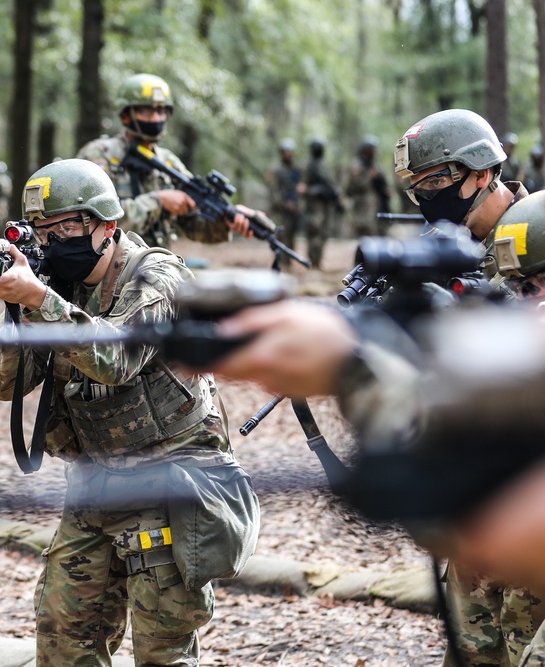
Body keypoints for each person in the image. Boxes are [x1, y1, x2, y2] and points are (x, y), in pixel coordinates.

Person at [211, 109, 543, 666]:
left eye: (437, 181)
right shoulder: (441, 247)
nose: (428, 197)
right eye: (417, 189)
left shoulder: (539, 230)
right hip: (469, 509)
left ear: (481, 173)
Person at [0, 158, 260, 666]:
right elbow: (0, 383)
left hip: (170, 482)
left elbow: (116, 361)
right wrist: (21, 307)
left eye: (66, 226)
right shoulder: (57, 286)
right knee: (64, 638)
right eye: (42, 230)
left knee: (162, 652)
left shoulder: (157, 275)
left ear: (106, 226)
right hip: (96, 483)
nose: (51, 240)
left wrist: (42, 300)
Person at [76, 73, 250, 249]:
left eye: (161, 111)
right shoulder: (100, 155)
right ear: (125, 116)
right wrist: (158, 201)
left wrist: (227, 221)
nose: (156, 119)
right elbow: (88, 222)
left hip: (157, 268)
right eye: (146, 111)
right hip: (108, 269)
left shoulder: (169, 163)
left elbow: (195, 228)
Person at [299, 136, 344, 268]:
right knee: (314, 231)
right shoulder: (307, 165)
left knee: (324, 232)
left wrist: (336, 198)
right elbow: (302, 188)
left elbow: (330, 184)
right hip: (314, 204)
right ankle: (313, 261)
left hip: (325, 203)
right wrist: (314, 191)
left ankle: (318, 260)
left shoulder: (324, 165)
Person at [266, 138, 304, 269]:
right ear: (282, 154)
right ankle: (280, 264)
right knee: (280, 236)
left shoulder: (296, 170)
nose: (289, 155)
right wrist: (284, 204)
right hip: (280, 210)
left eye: (291, 152)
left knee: (291, 236)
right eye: (286, 152)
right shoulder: (276, 170)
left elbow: (299, 187)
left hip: (293, 209)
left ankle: (288, 263)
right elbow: (273, 191)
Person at [344, 135, 391, 237]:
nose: (372, 153)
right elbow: (349, 189)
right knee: (364, 230)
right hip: (361, 206)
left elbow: (384, 183)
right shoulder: (357, 167)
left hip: (378, 206)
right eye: (370, 150)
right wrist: (368, 178)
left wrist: (386, 190)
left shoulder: (376, 166)